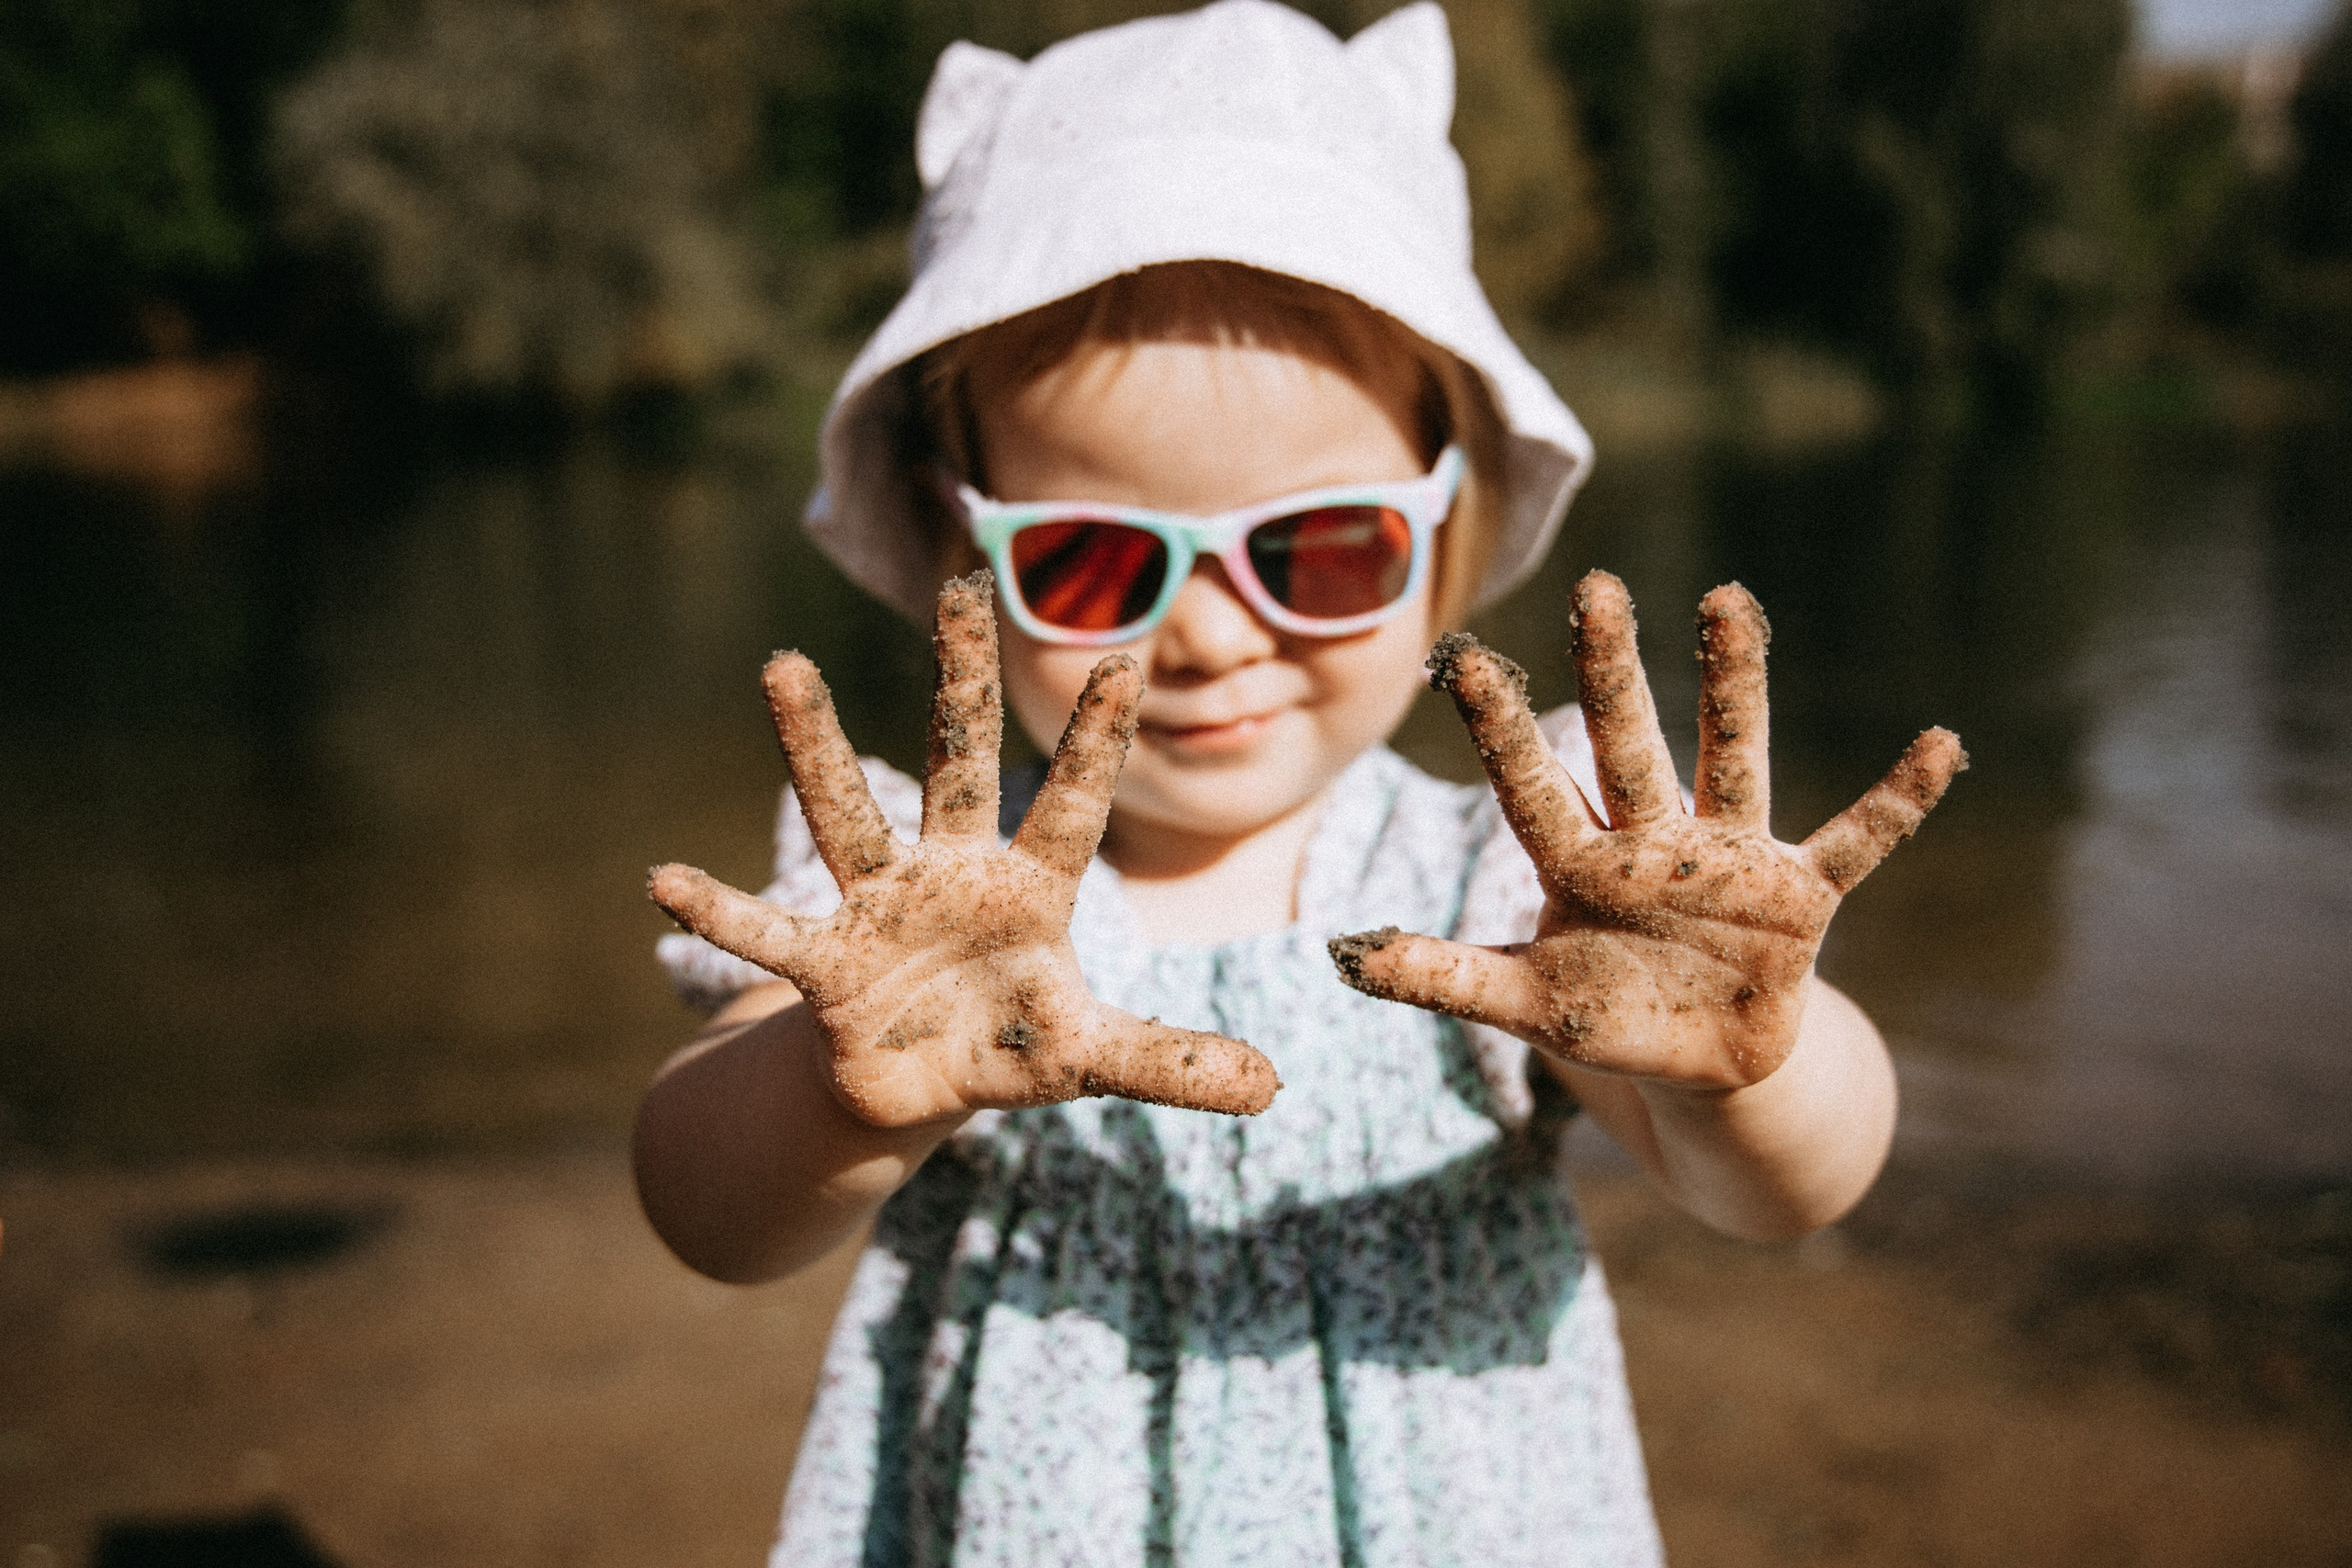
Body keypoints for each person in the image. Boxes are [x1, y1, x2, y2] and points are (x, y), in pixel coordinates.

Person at [633, 3, 1964, 1563]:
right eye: (1090, 558)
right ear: (957, 550)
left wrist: (1756, 1065)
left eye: (1320, 549)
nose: (1204, 635)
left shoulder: (1507, 896)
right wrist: (825, 1082)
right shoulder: (901, 905)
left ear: (1441, 535)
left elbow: (1786, 1194)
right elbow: (707, 1213)